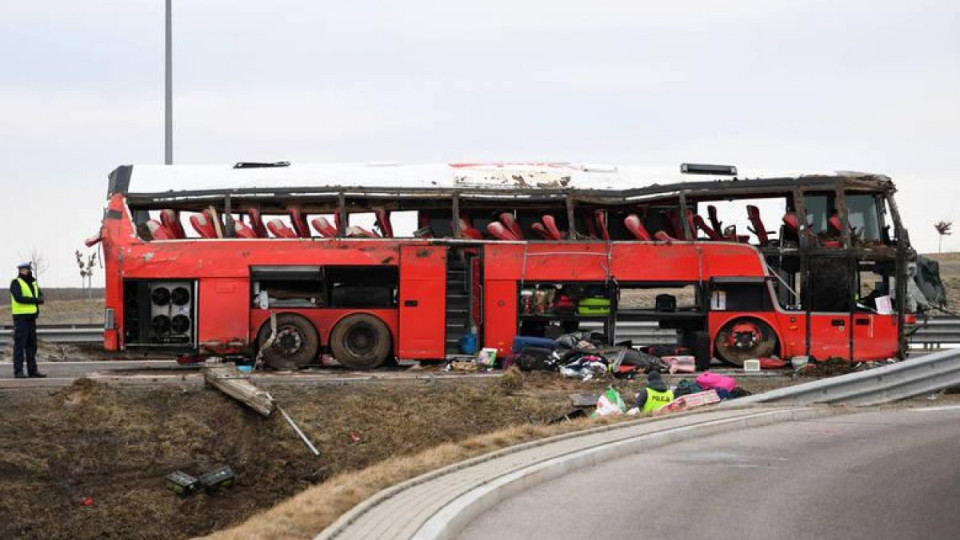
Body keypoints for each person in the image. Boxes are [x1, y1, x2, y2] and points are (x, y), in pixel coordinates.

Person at [10, 262, 46, 378]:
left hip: (31, 318)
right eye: (26, 269)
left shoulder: (33, 282)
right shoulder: (16, 283)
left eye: (29, 269)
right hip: (20, 318)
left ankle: (32, 371)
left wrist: (39, 299)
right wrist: (35, 300)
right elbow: (19, 298)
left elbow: (40, 296)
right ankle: (18, 371)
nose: (28, 271)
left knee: (32, 346)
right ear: (20, 270)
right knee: (20, 345)